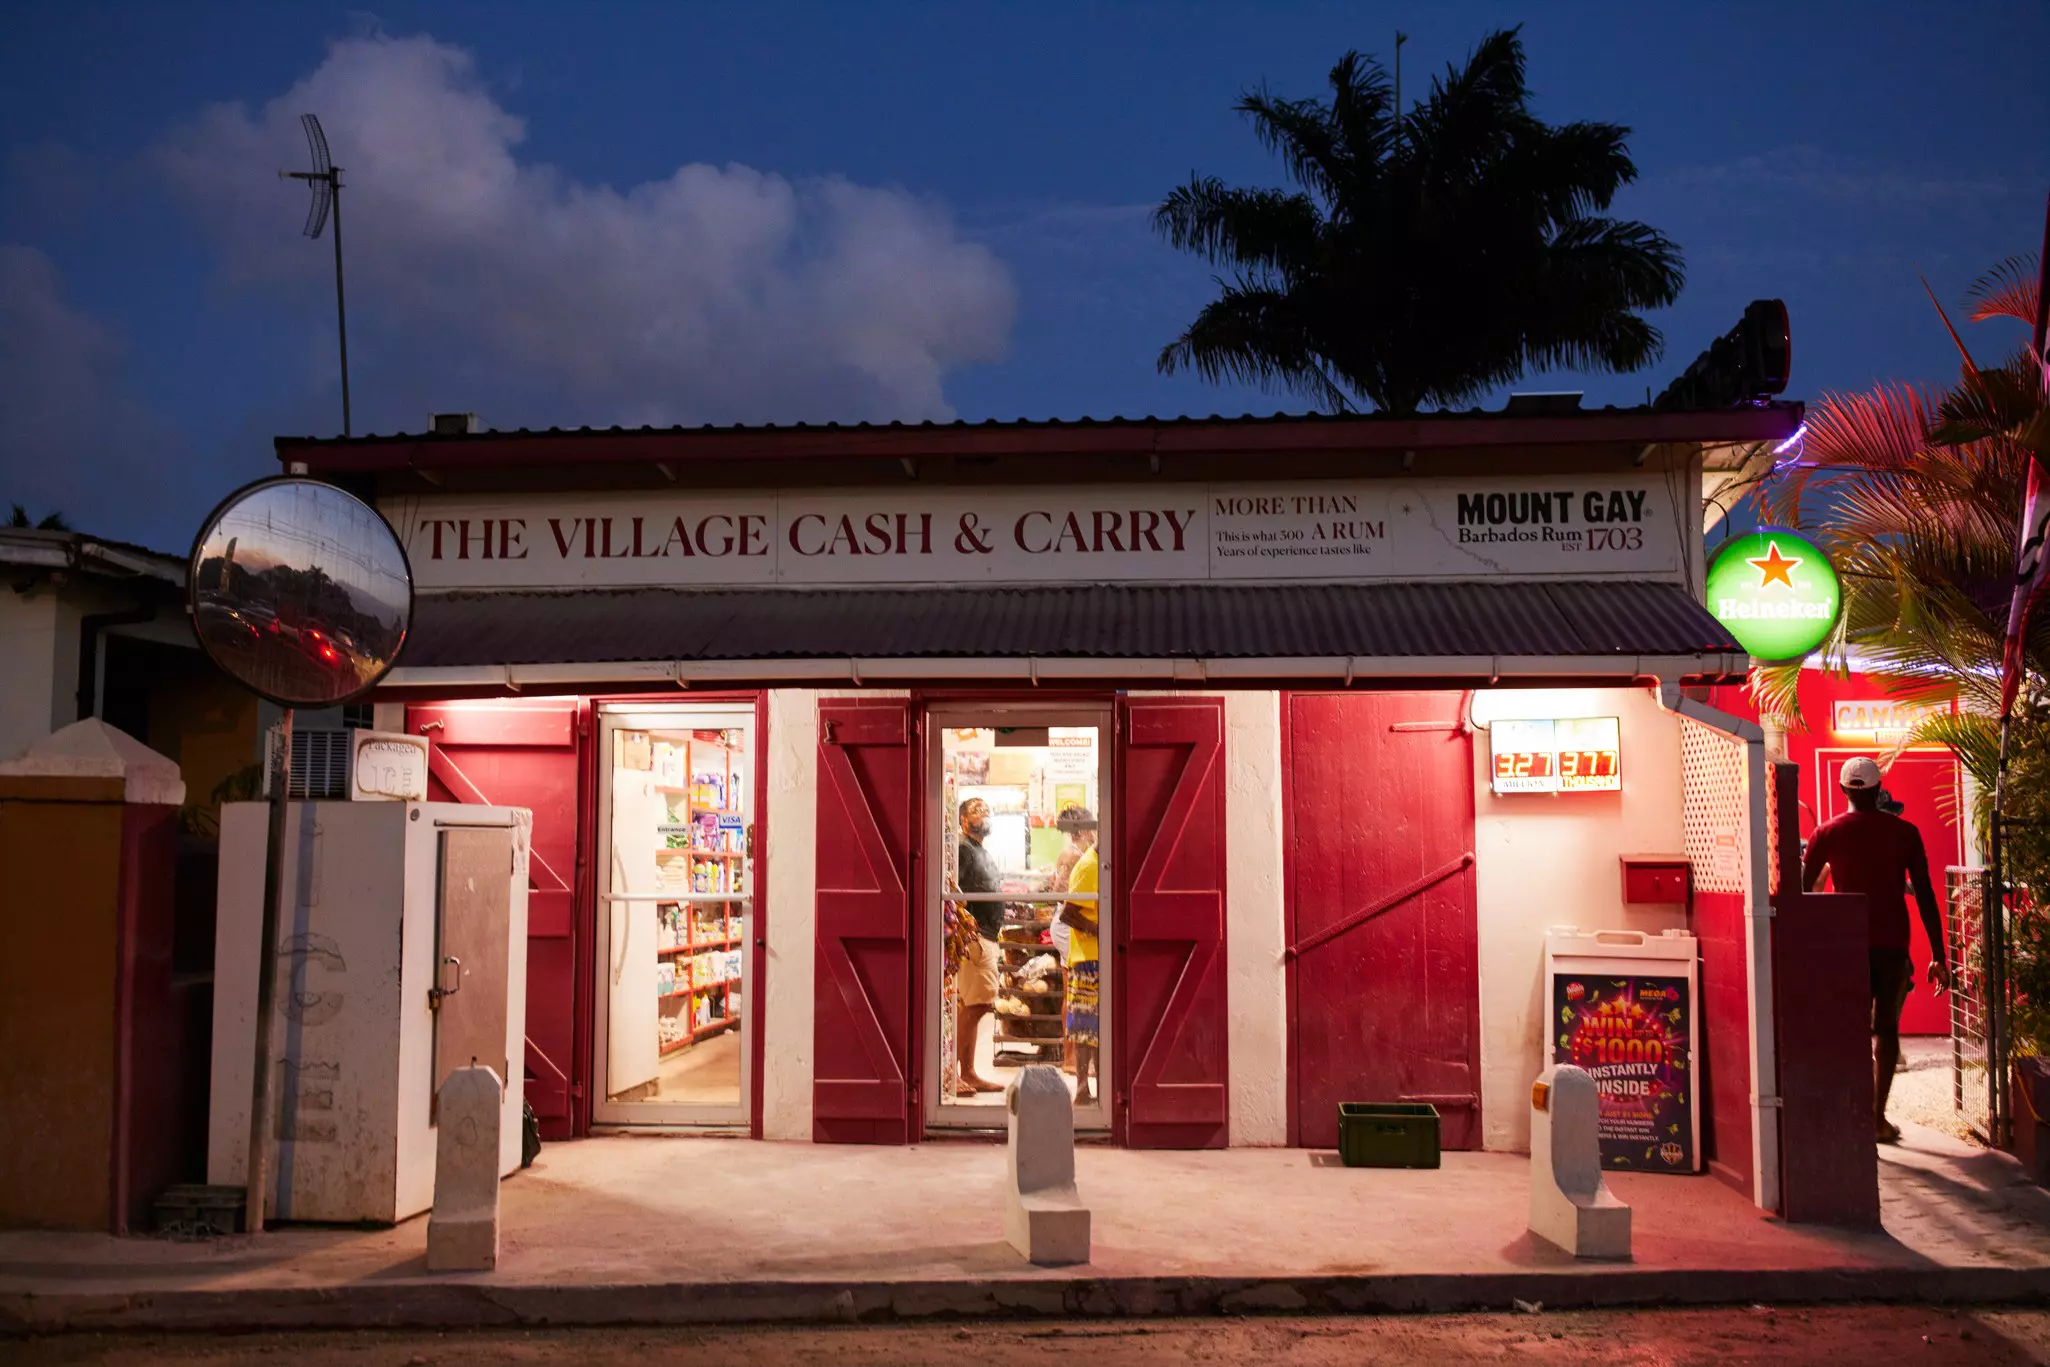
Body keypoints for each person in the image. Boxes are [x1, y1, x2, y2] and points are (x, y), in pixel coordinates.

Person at [1802, 755, 1950, 1144]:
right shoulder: (1905, 833)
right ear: (1879, 790)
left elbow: (1801, 892)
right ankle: (1878, 1118)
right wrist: (1939, 954)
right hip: (1891, 946)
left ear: (1842, 789)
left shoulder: (1827, 832)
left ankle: (1849, 1115)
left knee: (1849, 1032)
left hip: (1843, 947)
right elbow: (1927, 897)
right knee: (1887, 1030)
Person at [953, 797, 1005, 1096]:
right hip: (976, 938)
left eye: (987, 808)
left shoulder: (977, 849)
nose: (984, 812)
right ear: (962, 820)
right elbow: (955, 892)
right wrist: (967, 932)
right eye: (976, 810)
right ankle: (965, 1073)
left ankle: (965, 1072)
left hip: (984, 936)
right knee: (977, 1004)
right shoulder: (962, 848)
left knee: (973, 1004)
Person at [1056, 806, 1102, 1106]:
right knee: (1085, 1026)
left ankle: (1095, 1088)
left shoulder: (1101, 862)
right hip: (1086, 959)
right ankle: (1083, 1089)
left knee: (1097, 1026)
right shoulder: (1088, 866)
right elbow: (1069, 913)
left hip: (1099, 957)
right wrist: (1099, 930)